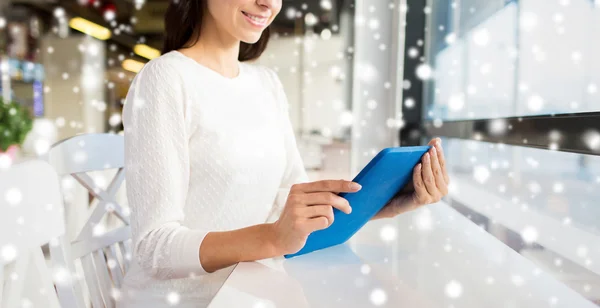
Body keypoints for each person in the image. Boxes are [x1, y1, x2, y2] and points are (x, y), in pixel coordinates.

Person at [119, 0, 450, 307]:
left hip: (252, 292)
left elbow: (291, 204)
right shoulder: (165, 78)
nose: (268, 4)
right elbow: (154, 248)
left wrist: (381, 205)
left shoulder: (266, 84)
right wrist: (273, 239)